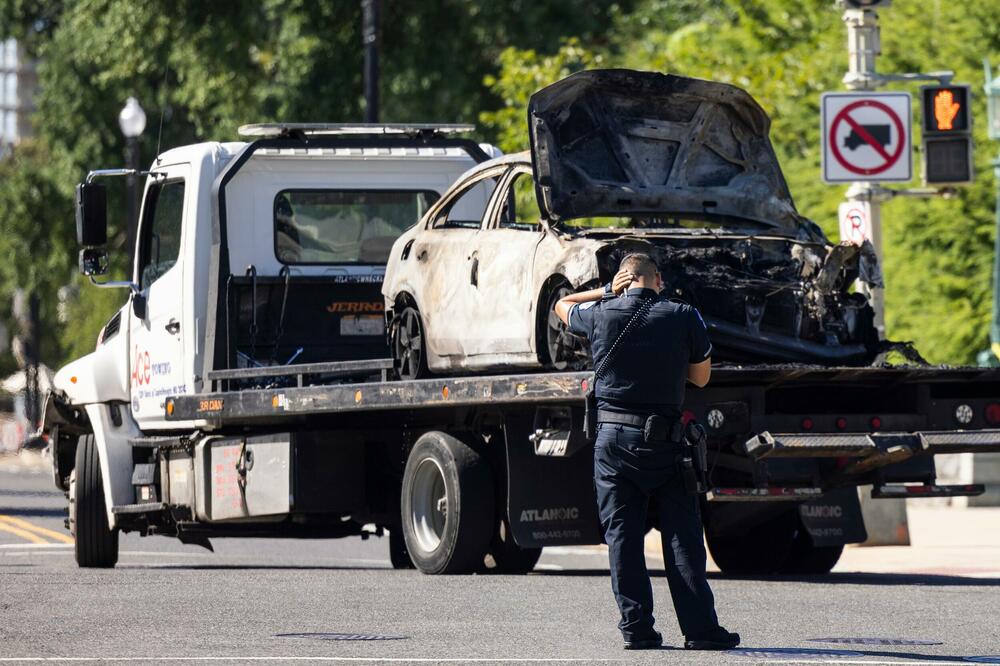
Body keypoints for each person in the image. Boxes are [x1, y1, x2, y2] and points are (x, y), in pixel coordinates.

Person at [554, 252, 739, 651]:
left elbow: (561, 305)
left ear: (625, 278)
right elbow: (702, 379)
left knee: (623, 537)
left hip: (612, 442)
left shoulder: (600, 313)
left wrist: (604, 291)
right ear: (658, 279)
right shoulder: (682, 315)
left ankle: (637, 630)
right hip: (666, 443)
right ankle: (701, 632)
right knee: (682, 539)